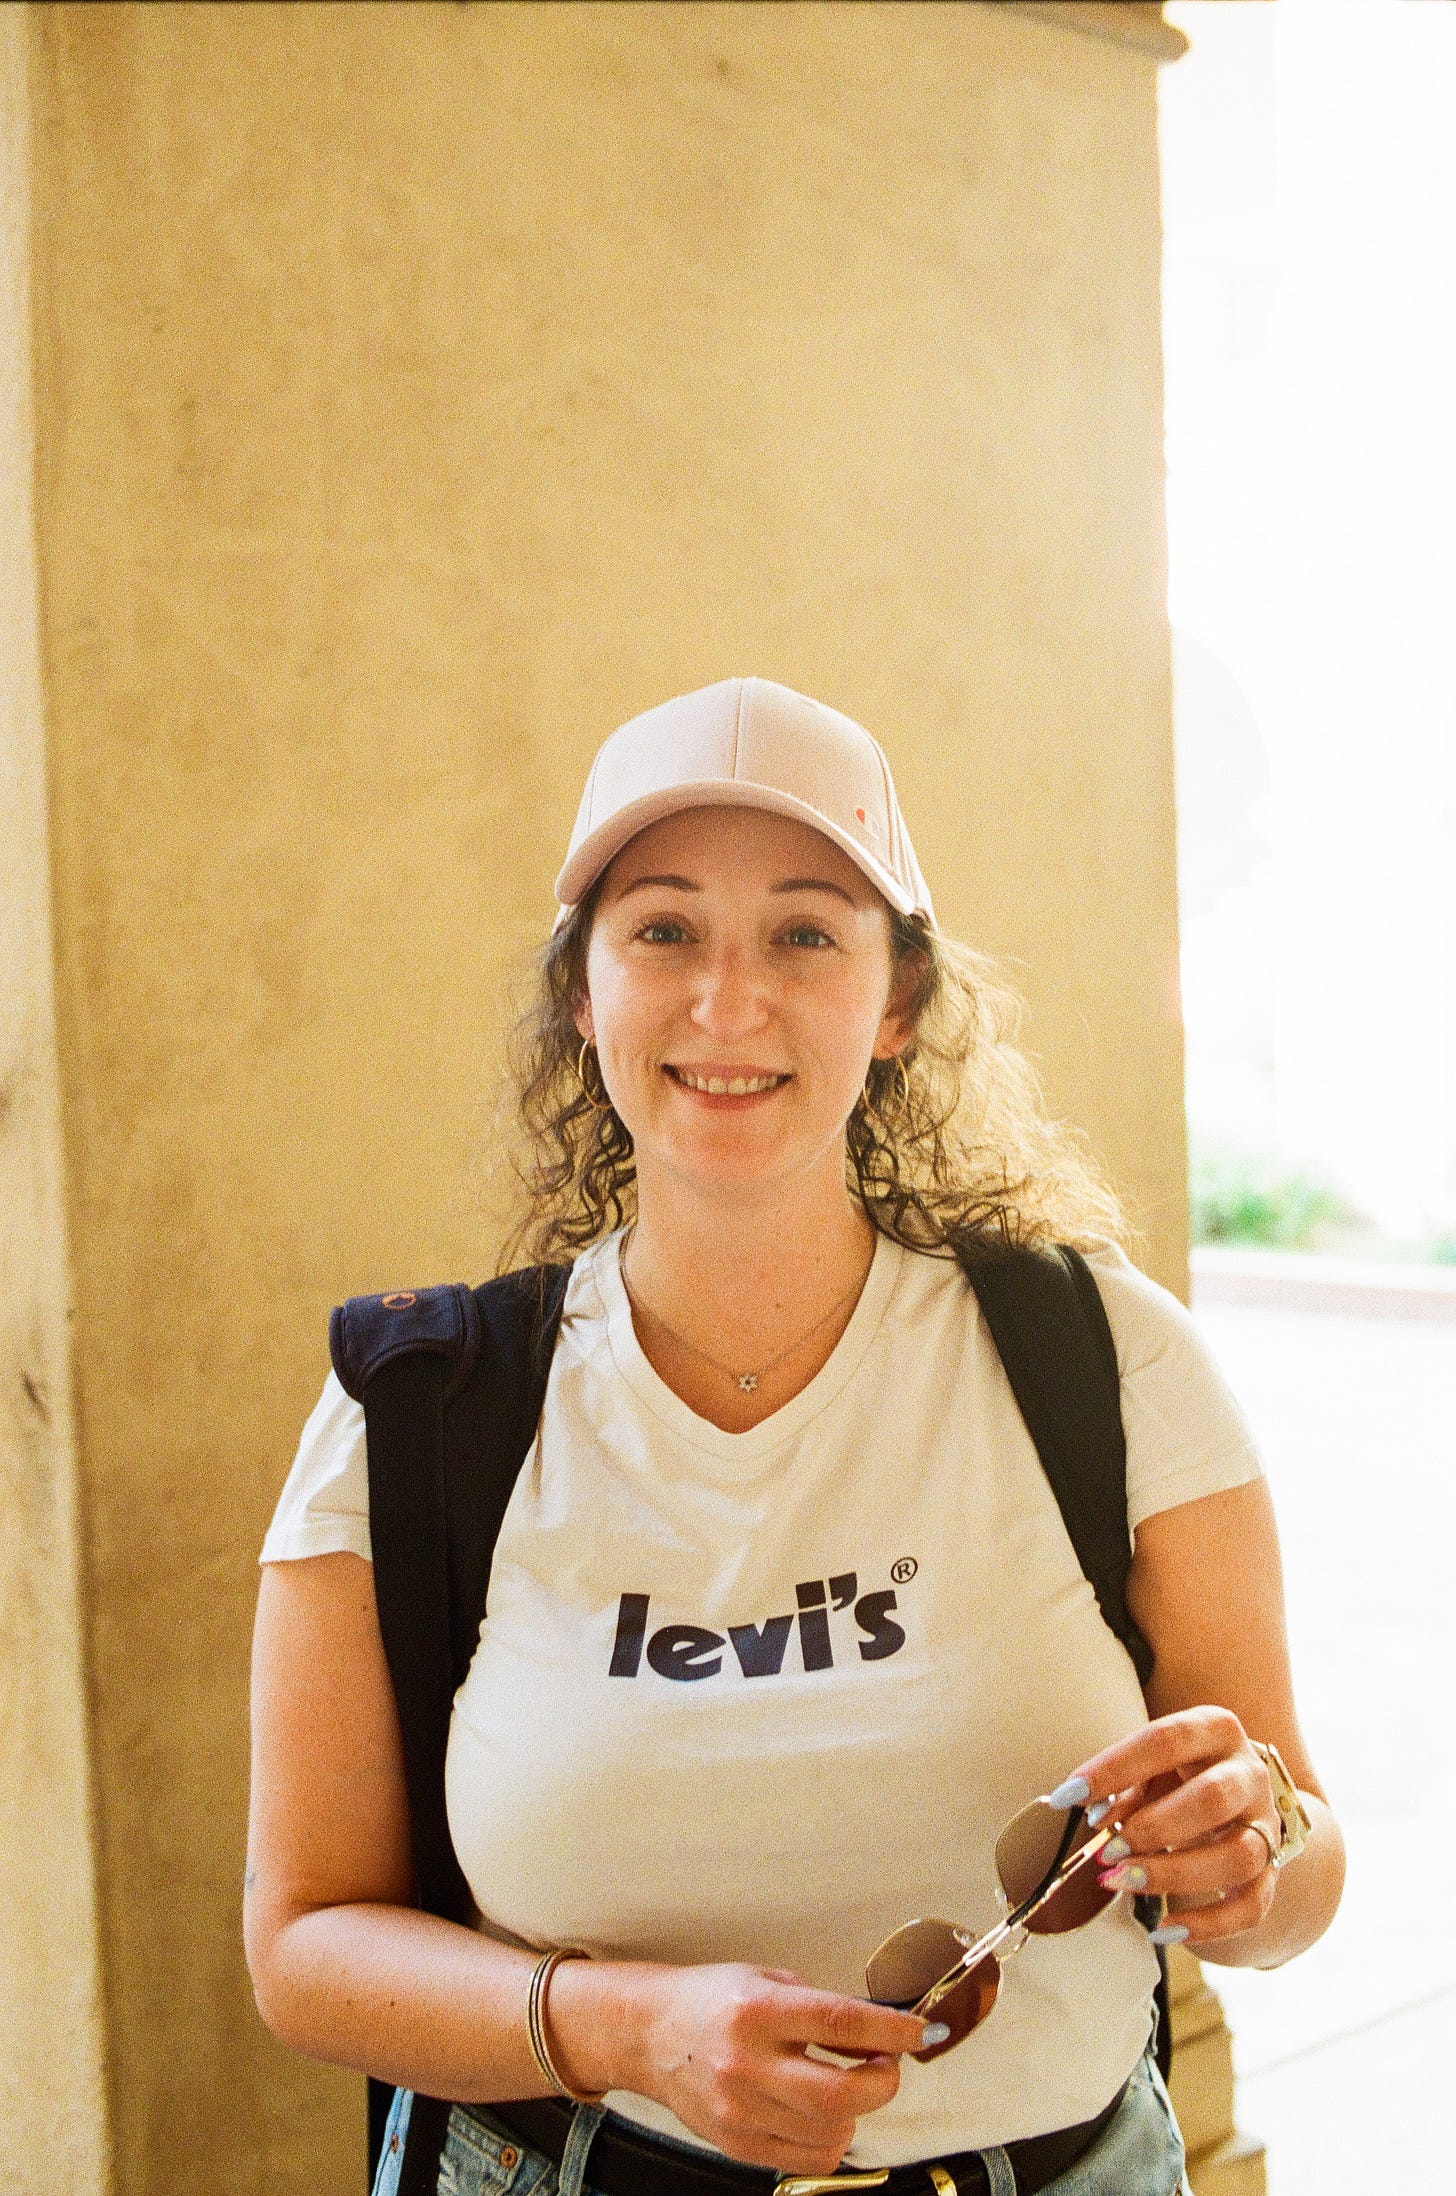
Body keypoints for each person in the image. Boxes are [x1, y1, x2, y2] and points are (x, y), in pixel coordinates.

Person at [246, 677, 1344, 2196]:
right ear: (584, 993)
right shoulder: (419, 1406)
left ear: (897, 1002)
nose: (727, 1001)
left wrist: (1256, 1859)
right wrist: (630, 2031)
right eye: (664, 929)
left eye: (807, 933)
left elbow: (1294, 1856)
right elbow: (303, 1948)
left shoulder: (1104, 1356)